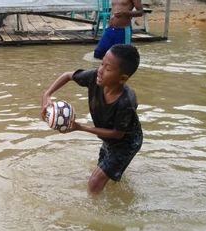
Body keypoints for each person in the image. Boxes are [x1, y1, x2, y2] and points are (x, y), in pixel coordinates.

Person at [41, 44, 143, 195]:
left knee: (95, 182)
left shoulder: (126, 102)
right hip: (108, 139)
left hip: (127, 143)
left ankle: (97, 214)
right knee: (104, 170)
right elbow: (68, 76)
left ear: (122, 78)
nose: (100, 71)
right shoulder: (94, 78)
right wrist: (47, 95)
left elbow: (117, 134)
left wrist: (80, 127)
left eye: (107, 69)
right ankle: (115, 185)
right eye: (102, 63)